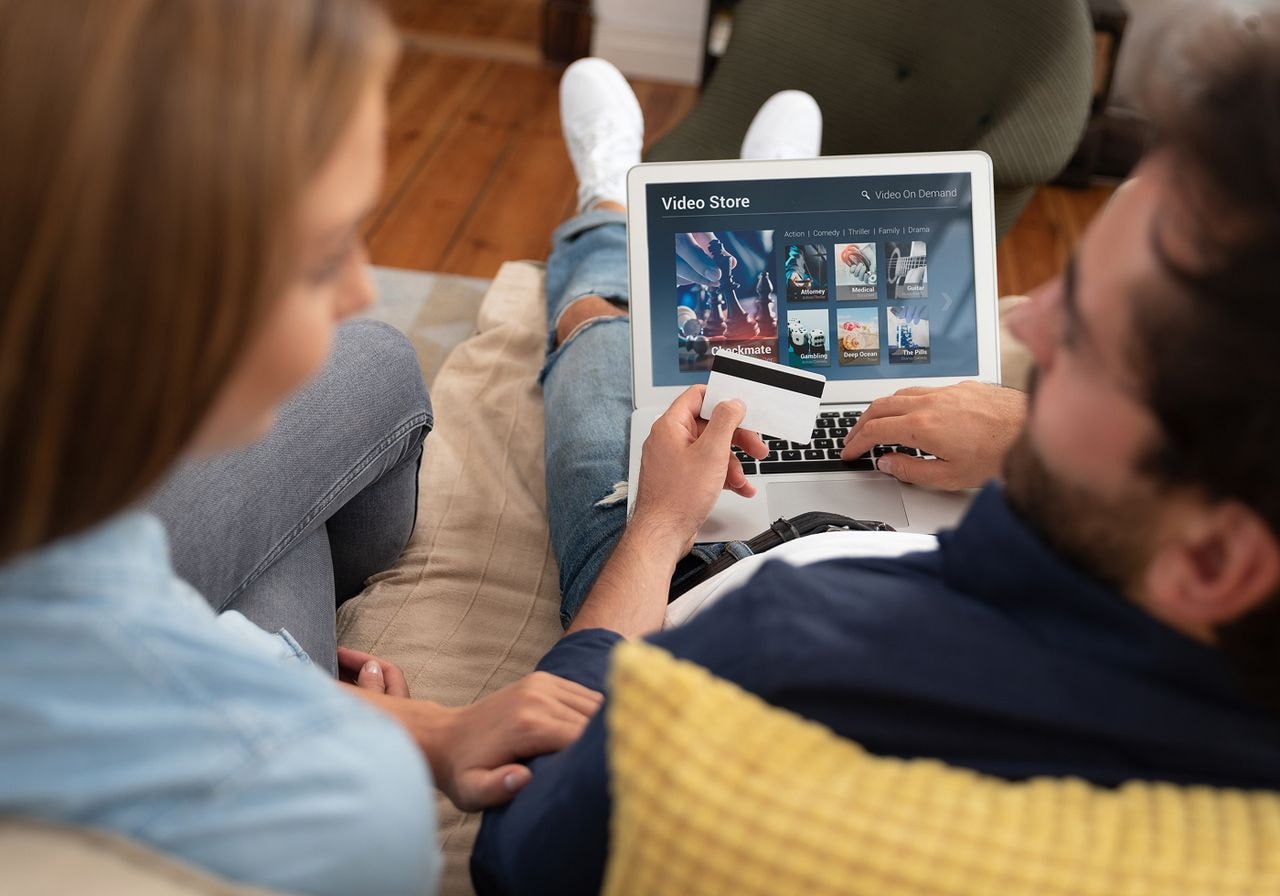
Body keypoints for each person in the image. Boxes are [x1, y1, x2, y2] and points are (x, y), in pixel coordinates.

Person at [472, 12, 1280, 892]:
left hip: (696, 575)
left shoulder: (781, 651)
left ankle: (604, 204)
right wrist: (1019, 434)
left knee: (599, 340)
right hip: (919, 537)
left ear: (1211, 558)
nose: (1030, 324)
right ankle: (761, 199)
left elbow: (520, 851)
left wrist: (664, 521)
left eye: (1086, 332)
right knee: (749, 364)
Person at [0, 3, 601, 895]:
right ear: (140, 305)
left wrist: (390, 720)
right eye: (323, 258)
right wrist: (362, 726)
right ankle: (603, 213)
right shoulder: (336, 803)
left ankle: (604, 208)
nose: (364, 284)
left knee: (373, 363)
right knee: (379, 366)